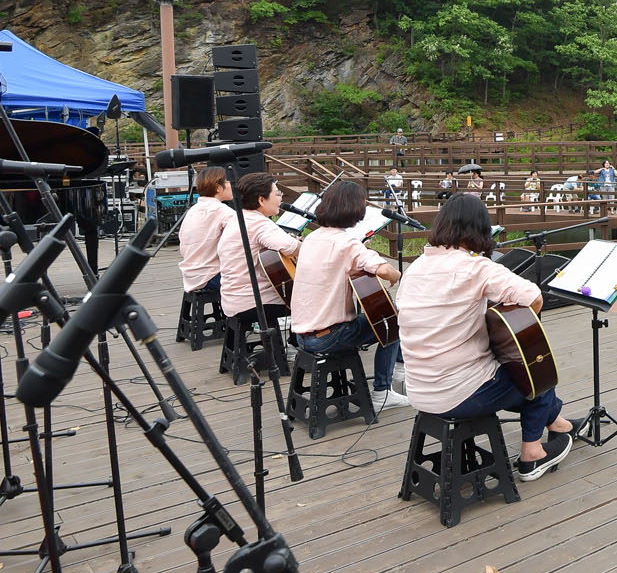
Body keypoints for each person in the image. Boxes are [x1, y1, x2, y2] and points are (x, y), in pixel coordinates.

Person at [396, 194, 575, 480]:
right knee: (537, 371)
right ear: (480, 228)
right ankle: (532, 455)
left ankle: (559, 424)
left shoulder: (415, 268)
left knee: (516, 377)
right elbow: (534, 298)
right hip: (460, 392)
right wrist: (503, 332)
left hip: (418, 390)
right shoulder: (475, 268)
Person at [287, 181, 409, 414]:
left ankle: (395, 373)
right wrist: (396, 274)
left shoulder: (311, 238)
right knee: (393, 320)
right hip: (329, 337)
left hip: (302, 335)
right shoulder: (347, 243)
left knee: (386, 317)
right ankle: (383, 391)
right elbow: (385, 270)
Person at [216, 171, 301, 320]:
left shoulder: (238, 218)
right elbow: (293, 248)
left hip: (232, 300)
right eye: (277, 194)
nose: (281, 198)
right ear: (261, 200)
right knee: (316, 298)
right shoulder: (259, 223)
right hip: (254, 302)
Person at [178, 166, 234, 293]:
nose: (231, 185)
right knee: (260, 277)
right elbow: (241, 240)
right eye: (228, 181)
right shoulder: (223, 211)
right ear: (218, 187)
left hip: (191, 275)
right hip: (210, 276)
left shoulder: (192, 210)